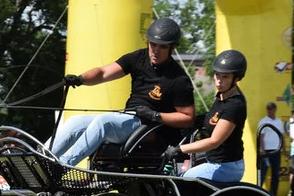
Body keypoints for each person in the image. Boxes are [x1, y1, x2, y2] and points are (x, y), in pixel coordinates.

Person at [52, 17, 194, 166]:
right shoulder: (139, 57)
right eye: (153, 44)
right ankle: (41, 161)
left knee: (104, 122)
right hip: (127, 118)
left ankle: (62, 166)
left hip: (148, 128)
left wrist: (155, 115)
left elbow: (188, 118)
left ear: (173, 48)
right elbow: (103, 73)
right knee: (75, 122)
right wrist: (80, 79)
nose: (156, 51)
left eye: (162, 47)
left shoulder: (179, 79)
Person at [162, 49, 247, 182]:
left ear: (236, 78)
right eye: (217, 75)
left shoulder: (235, 105)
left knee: (180, 181)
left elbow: (214, 141)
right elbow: (213, 118)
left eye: (225, 77)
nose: (219, 81)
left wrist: (179, 149)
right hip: (216, 162)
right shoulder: (222, 97)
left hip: (225, 167)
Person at [257, 102, 285, 196]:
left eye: (271, 109)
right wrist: (263, 151)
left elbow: (282, 136)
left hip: (276, 150)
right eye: (268, 109)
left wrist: (284, 149)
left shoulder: (279, 121)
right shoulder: (263, 121)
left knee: (276, 174)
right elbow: (261, 137)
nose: (270, 111)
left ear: (275, 109)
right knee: (263, 174)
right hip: (267, 151)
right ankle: (258, 193)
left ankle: (274, 195)